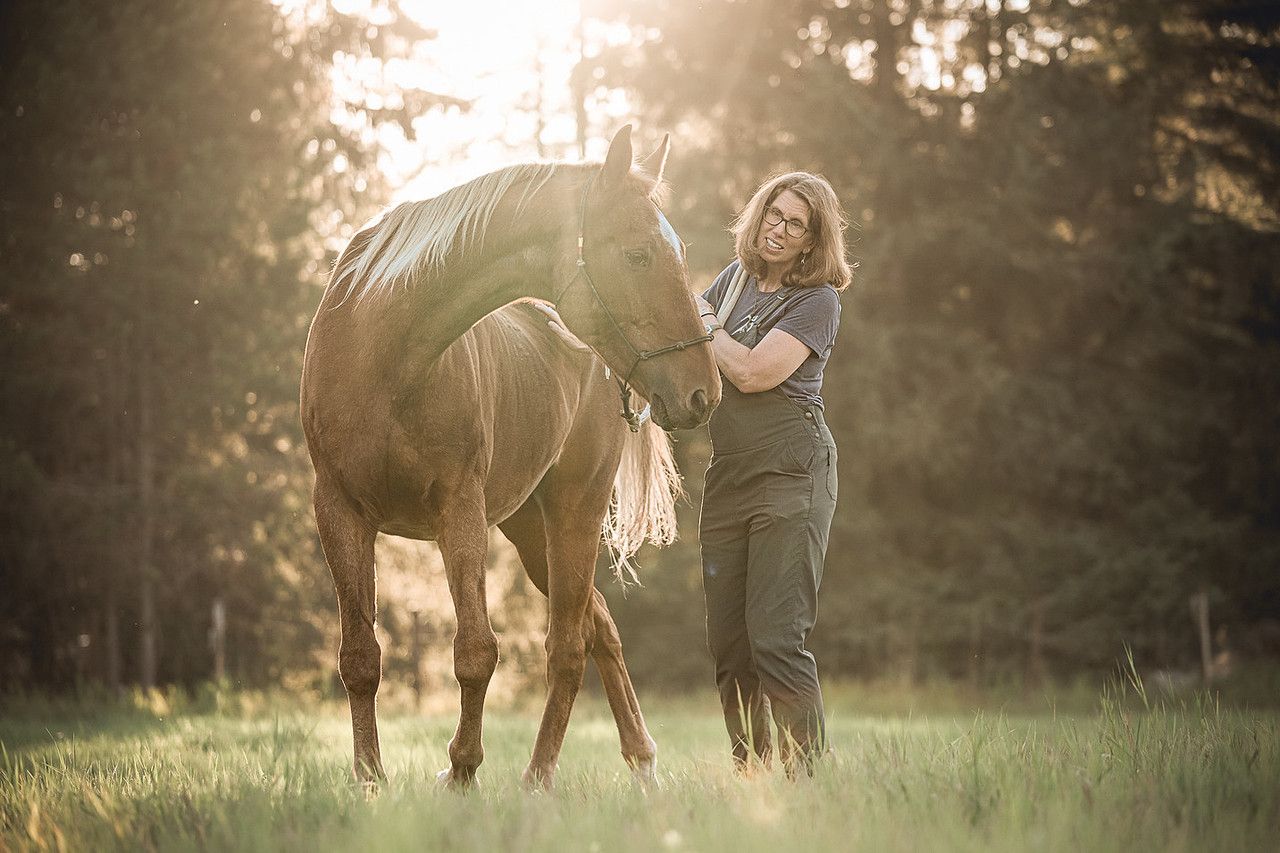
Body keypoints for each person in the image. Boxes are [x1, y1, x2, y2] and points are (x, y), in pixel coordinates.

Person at [692, 171, 852, 776]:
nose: (779, 231)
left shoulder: (818, 302)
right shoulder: (734, 281)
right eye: (773, 216)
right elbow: (683, 333)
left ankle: (806, 778)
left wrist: (707, 325)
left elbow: (756, 372)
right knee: (731, 650)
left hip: (794, 474)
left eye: (795, 224)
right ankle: (752, 777)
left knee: (777, 640)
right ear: (757, 216)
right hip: (730, 475)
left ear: (813, 242)